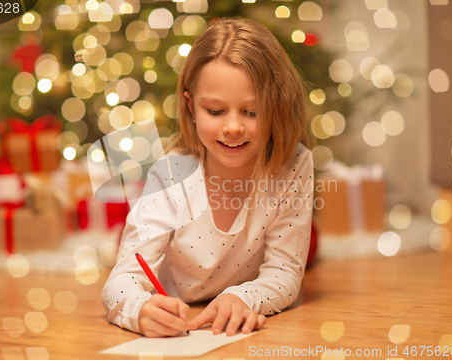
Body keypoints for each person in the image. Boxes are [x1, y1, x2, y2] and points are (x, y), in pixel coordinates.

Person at [102, 17, 314, 338]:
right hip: (182, 320)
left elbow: (284, 272)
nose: (233, 127)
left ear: (279, 106)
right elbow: (122, 280)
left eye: (252, 112)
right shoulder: (171, 174)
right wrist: (139, 309)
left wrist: (241, 297)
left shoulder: (294, 165)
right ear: (191, 107)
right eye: (215, 111)